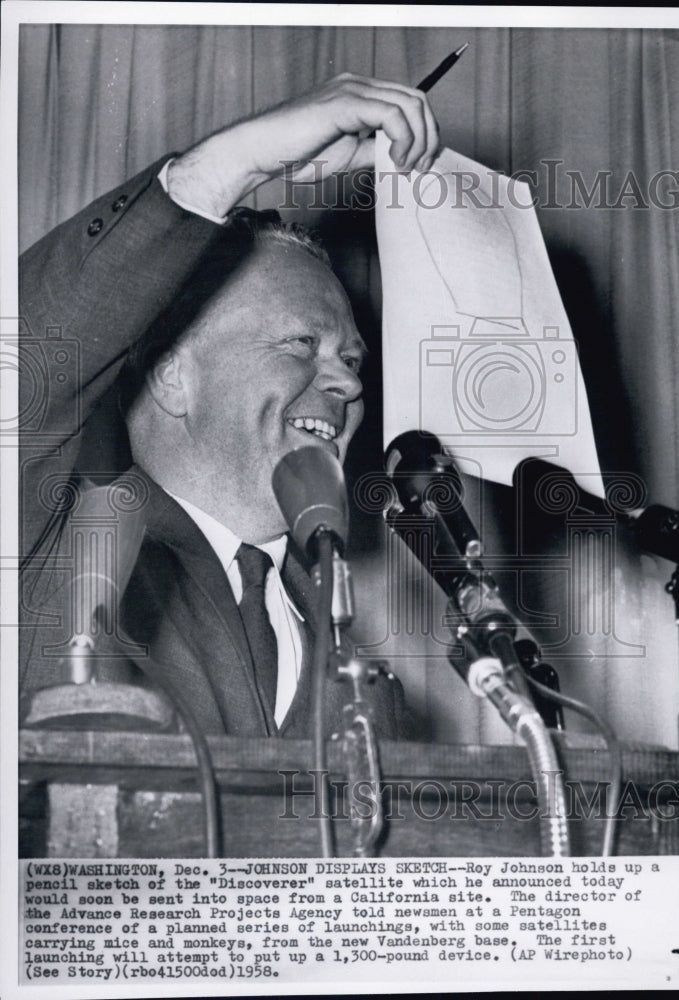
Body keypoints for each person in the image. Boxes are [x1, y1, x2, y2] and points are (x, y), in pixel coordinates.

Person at [18, 74, 440, 739]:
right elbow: (34, 351)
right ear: (171, 375)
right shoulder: (47, 542)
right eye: (303, 342)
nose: (349, 385)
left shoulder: (365, 680)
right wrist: (233, 161)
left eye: (352, 359)